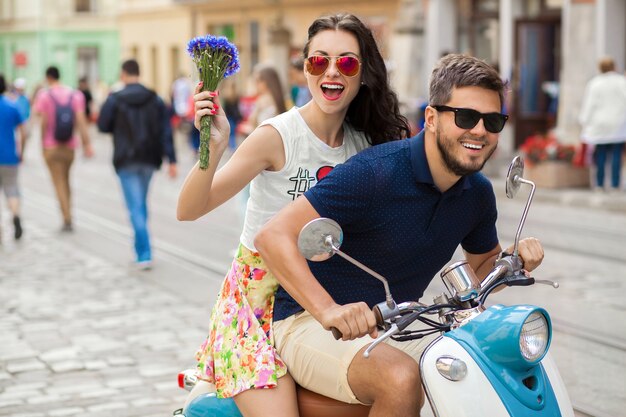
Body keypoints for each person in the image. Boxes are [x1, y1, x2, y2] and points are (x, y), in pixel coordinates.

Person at [254, 53, 545, 417]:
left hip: (396, 323)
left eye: (493, 121)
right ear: (432, 118)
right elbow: (272, 235)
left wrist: (511, 259)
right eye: (466, 117)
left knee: (487, 360)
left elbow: (484, 266)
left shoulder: (477, 193)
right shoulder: (376, 173)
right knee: (400, 378)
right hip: (309, 323)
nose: (480, 131)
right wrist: (329, 310)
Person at [176, 12, 410, 417]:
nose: (331, 72)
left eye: (347, 62)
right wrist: (214, 148)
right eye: (318, 61)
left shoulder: (366, 145)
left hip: (325, 300)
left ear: (364, 74)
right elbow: (190, 209)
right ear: (305, 68)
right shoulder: (277, 136)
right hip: (255, 308)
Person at [97, 59, 177, 270]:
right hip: (150, 158)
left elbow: (102, 125)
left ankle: (144, 253)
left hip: (126, 159)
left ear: (123, 74)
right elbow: (165, 131)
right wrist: (172, 159)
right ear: (139, 74)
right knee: (140, 204)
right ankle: (138, 247)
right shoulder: (155, 99)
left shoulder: (115, 99)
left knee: (135, 207)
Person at [33, 66, 94, 232]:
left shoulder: (44, 95)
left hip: (51, 146)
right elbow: (81, 121)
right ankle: (69, 213)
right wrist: (87, 143)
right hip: (70, 146)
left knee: (58, 182)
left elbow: (43, 121)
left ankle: (66, 217)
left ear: (48, 78)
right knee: (66, 180)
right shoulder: (75, 95)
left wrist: (42, 142)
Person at [579, 56, 626, 192]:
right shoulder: (621, 81)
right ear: (614, 66)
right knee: (616, 154)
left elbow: (589, 105)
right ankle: (615, 185)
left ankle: (599, 184)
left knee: (601, 154)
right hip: (618, 123)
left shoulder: (595, 83)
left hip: (599, 124)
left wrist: (584, 121)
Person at [0, 74, 27, 242]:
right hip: (10, 156)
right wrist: (21, 151)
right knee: (12, 190)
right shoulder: (12, 106)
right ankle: (16, 216)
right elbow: (24, 132)